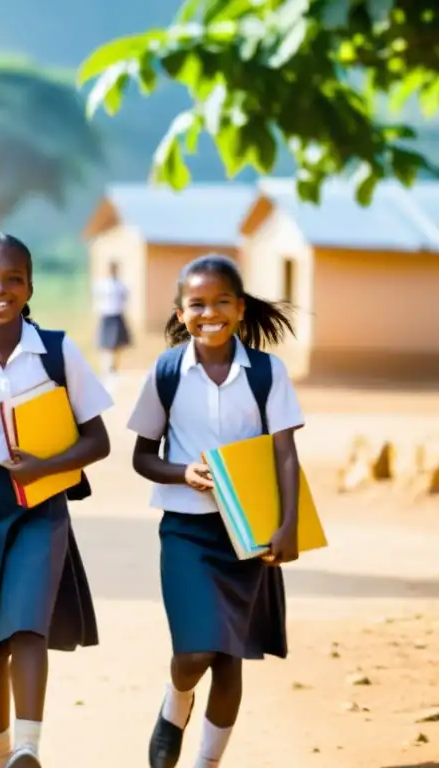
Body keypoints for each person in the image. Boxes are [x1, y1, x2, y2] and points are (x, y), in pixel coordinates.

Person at [0, 232, 113, 768]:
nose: (0, 289)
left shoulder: (55, 351)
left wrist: (45, 467)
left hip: (40, 504)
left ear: (30, 287)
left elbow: (96, 440)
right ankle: (1, 756)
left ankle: (28, 750)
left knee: (28, 624)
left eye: (13, 279)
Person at [125, 253, 303, 768]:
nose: (210, 313)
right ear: (181, 313)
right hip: (186, 532)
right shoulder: (166, 372)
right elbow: (141, 457)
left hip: (248, 532)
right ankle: (176, 699)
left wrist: (287, 524)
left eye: (222, 302)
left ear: (240, 308)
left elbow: (284, 453)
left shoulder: (267, 372)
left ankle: (206, 762)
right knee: (195, 653)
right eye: (197, 304)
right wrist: (183, 473)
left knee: (229, 662)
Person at [93, 260, 132, 391]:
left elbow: (126, 297)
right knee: (105, 344)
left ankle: (114, 368)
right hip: (106, 315)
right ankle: (106, 368)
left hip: (117, 315)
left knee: (117, 344)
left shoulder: (121, 285)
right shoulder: (102, 285)